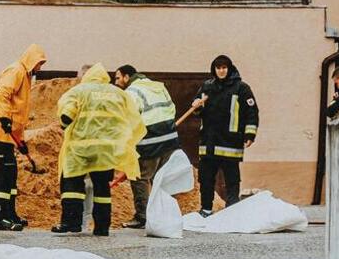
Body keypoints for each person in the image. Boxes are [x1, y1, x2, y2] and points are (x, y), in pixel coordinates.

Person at [52, 65, 141, 236]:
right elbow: (133, 118)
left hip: (81, 149)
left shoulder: (79, 91)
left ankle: (71, 223)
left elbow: (66, 116)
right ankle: (102, 227)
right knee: (102, 189)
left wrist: (64, 126)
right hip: (106, 152)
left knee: (72, 186)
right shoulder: (117, 93)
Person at [0, 44, 47, 230]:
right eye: (39, 63)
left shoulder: (25, 75)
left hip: (8, 135)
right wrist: (4, 118)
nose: (40, 68)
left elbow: (18, 112)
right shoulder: (16, 71)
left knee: (11, 172)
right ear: (32, 60)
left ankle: (10, 213)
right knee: (2, 173)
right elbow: (1, 93)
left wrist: (20, 140)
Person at [179, 54, 257, 216]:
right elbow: (198, 110)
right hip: (209, 141)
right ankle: (206, 208)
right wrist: (197, 106)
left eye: (224, 68)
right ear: (214, 70)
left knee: (232, 178)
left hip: (230, 141)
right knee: (205, 178)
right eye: (218, 68)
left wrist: (249, 134)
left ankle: (233, 208)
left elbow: (251, 112)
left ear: (229, 69)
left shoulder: (241, 88)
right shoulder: (207, 87)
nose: (221, 71)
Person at [112, 65, 180, 229]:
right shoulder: (158, 86)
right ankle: (163, 215)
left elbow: (129, 121)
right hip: (169, 139)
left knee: (139, 177)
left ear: (127, 77)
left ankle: (142, 217)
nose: (116, 82)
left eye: (117, 78)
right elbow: (172, 109)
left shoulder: (131, 93)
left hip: (149, 140)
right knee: (160, 179)